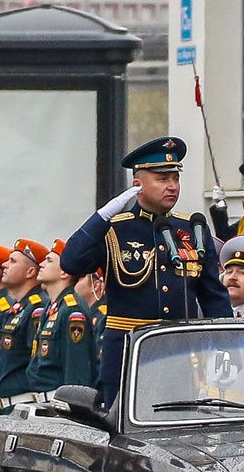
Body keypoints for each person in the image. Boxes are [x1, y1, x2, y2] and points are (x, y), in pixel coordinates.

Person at [61, 137, 230, 404]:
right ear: (137, 185)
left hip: (178, 357)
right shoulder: (115, 228)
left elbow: (213, 296)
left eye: (175, 178)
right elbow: (71, 263)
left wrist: (226, 350)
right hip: (126, 356)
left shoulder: (191, 229)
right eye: (162, 179)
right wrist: (102, 217)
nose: (172, 186)